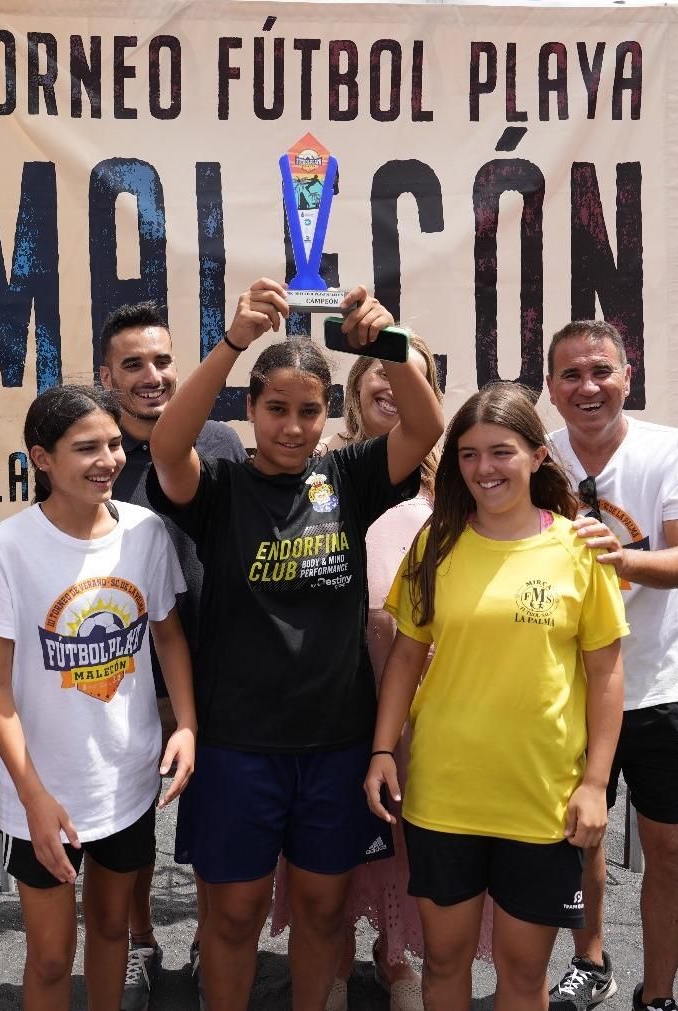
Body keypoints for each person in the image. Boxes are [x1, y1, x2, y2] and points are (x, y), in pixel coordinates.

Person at [147, 279, 444, 1011]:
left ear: (326, 413)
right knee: (236, 915)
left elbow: (426, 424)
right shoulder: (216, 487)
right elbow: (165, 441)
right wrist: (232, 342)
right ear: (249, 410)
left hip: (335, 743)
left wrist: (388, 344)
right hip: (236, 746)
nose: (291, 425)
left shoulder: (347, 474)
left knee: (320, 913)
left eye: (308, 410)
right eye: (275, 408)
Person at [365, 381, 628, 1011]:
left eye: (501, 451)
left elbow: (608, 674)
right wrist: (381, 751)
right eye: (469, 453)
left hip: (540, 802)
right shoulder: (436, 545)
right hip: (443, 794)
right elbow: (405, 654)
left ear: (538, 456)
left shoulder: (578, 548)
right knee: (445, 963)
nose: (485, 468)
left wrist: (595, 784)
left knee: (522, 972)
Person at [0, 384, 198, 1011]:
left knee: (111, 930)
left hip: (126, 778)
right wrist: (33, 797)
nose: (107, 460)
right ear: (41, 459)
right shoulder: (8, 549)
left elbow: (168, 634)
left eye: (115, 444)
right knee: (47, 956)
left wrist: (187, 726)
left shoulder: (146, 531)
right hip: (40, 792)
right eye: (85, 448)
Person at [540, 320, 678, 1011]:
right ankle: (590, 961)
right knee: (580, 837)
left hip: (666, 687)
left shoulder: (671, 449)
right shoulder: (537, 458)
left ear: (627, 375)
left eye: (601, 371)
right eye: (571, 375)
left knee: (671, 852)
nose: (588, 387)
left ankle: (662, 991)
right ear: (550, 387)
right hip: (571, 691)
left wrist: (621, 558)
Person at [265, 333, 447, 1011]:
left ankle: (397, 958)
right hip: (333, 686)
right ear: (357, 384)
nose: (395, 389)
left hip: (415, 685)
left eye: (414, 379)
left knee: (404, 838)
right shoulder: (318, 464)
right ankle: (332, 960)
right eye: (383, 374)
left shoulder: (447, 476)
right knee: (327, 841)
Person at [95, 301, 246, 1009]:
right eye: (133, 365)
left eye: (160, 361)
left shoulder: (217, 440)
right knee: (130, 823)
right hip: (121, 671)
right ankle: (139, 943)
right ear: (107, 375)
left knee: (214, 814)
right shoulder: (91, 452)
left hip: (212, 663)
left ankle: (207, 937)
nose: (151, 377)